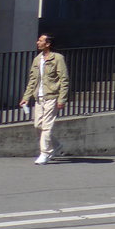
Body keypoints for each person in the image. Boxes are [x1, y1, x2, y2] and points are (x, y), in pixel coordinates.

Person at [18, 34, 69, 165]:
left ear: (48, 44)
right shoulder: (37, 59)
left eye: (41, 40)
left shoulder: (57, 58)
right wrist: (26, 97)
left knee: (47, 126)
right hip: (39, 97)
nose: (37, 42)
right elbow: (33, 80)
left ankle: (45, 153)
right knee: (38, 126)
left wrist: (62, 99)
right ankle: (56, 146)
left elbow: (64, 80)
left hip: (52, 96)